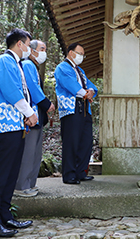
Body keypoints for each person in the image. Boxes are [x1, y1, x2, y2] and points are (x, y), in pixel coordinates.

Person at [0, 28, 38, 237]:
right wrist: (29, 112)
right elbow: (10, 91)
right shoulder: (4, 61)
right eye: (28, 44)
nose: (29, 49)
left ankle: (5, 216)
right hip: (4, 126)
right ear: (19, 44)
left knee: (10, 174)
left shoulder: (15, 63)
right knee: (0, 174)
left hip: (15, 126)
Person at [14, 40, 55, 197]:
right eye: (42, 49)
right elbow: (32, 87)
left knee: (35, 153)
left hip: (36, 116)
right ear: (31, 50)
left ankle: (29, 184)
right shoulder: (28, 64)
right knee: (29, 152)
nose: (44, 52)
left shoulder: (32, 66)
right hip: (30, 115)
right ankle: (21, 186)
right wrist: (46, 103)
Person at [54, 43, 97, 184]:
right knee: (71, 142)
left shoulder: (80, 71)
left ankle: (81, 171)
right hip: (71, 109)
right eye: (80, 53)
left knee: (86, 141)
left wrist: (91, 91)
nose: (82, 56)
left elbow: (92, 86)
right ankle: (69, 174)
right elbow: (74, 87)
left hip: (84, 109)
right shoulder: (62, 68)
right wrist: (86, 93)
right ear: (71, 53)